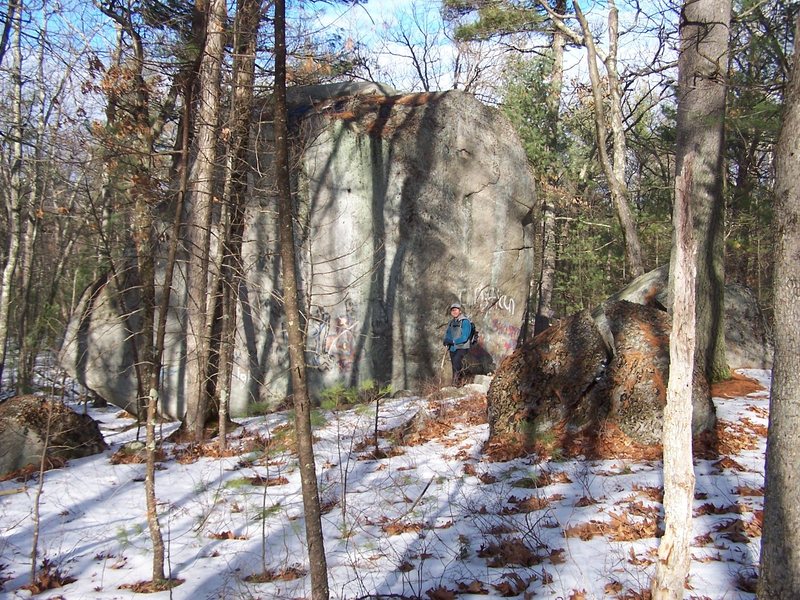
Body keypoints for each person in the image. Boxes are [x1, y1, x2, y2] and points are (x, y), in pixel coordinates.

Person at [442, 302, 473, 386]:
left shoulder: (465, 322)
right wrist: (446, 340)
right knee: (454, 366)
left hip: (462, 347)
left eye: (456, 310)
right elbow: (448, 333)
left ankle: (456, 384)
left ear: (460, 311)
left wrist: (453, 341)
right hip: (452, 348)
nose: (454, 312)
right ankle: (456, 384)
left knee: (457, 365)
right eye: (452, 310)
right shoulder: (451, 322)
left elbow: (465, 337)